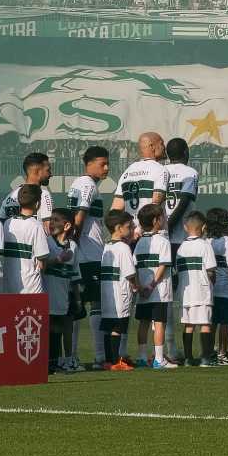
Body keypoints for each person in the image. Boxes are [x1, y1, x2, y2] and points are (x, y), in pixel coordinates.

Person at [68, 145, 110, 367]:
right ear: (90, 163)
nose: (107, 168)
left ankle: (72, 357)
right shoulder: (87, 184)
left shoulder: (79, 183)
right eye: (102, 163)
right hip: (89, 254)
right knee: (95, 303)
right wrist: (73, 242)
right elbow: (79, 217)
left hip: (83, 252)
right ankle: (99, 357)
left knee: (77, 305)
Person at [162, 137, 199, 356]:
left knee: (165, 293)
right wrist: (170, 226)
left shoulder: (161, 171)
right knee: (187, 292)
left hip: (161, 239)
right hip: (181, 240)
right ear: (185, 151)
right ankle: (177, 349)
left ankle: (168, 346)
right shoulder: (190, 173)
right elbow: (184, 200)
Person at [133, 203, 176, 369]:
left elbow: (135, 267)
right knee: (159, 323)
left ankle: (143, 358)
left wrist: (140, 287)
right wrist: (151, 286)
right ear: (156, 220)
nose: (165, 219)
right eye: (163, 216)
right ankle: (159, 359)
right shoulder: (163, 241)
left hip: (144, 291)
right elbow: (163, 266)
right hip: (158, 291)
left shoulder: (139, 243)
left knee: (143, 322)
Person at [175, 211, 218, 366]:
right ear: (204, 227)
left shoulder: (181, 248)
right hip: (202, 291)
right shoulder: (205, 245)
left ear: (186, 227)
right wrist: (212, 284)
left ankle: (188, 358)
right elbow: (211, 270)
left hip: (185, 293)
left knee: (189, 325)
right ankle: (205, 358)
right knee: (205, 324)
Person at [99, 210, 138, 371]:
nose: (131, 229)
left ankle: (109, 360)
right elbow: (130, 273)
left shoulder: (106, 246)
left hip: (107, 294)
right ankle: (116, 361)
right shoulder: (123, 247)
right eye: (128, 226)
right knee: (117, 328)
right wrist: (137, 286)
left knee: (109, 328)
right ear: (118, 228)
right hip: (120, 294)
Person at [112, 132, 169, 235]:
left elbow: (116, 208)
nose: (164, 147)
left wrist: (118, 234)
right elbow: (155, 204)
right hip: (152, 234)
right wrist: (140, 229)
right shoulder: (160, 170)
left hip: (130, 234)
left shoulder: (127, 171)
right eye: (161, 143)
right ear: (152, 146)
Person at [44, 209, 79, 374]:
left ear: (66, 225)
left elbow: (74, 275)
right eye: (51, 219)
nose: (52, 223)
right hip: (47, 293)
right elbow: (41, 265)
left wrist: (77, 298)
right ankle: (48, 362)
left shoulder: (73, 246)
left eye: (56, 220)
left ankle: (58, 361)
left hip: (63, 295)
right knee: (48, 327)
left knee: (59, 328)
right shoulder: (47, 242)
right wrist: (58, 260)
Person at [205, 208, 228, 366]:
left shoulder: (206, 241)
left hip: (210, 289)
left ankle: (210, 351)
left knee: (212, 322)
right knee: (225, 322)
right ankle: (222, 353)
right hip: (226, 288)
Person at [1, 184, 50, 297]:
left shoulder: (7, 223)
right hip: (31, 288)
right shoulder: (36, 226)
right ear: (38, 203)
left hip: (9, 287)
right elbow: (42, 262)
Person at [0, 153, 54, 221]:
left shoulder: (10, 196)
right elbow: (47, 227)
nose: (51, 174)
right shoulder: (43, 194)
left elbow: (0, 222)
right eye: (48, 170)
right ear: (38, 171)